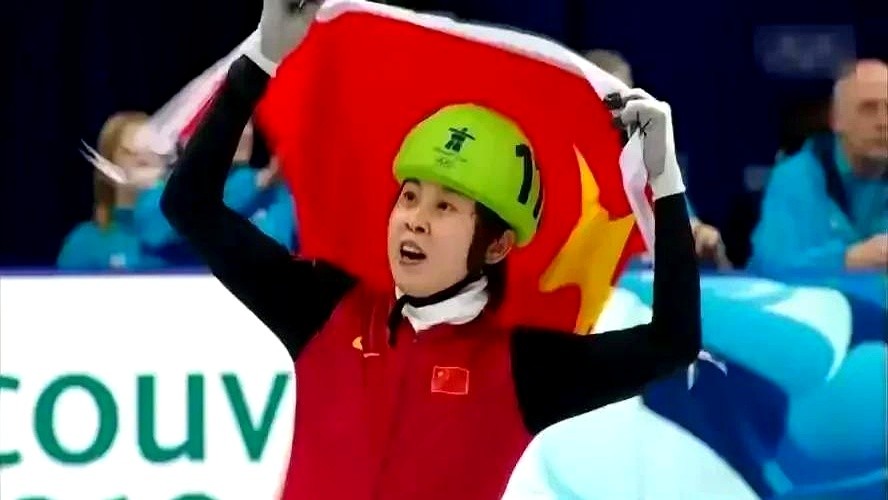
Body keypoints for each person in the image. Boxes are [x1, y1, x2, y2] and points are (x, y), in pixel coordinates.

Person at [160, 2, 701, 499]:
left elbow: (672, 344)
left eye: (445, 207)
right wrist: (262, 58)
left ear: (497, 244)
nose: (415, 219)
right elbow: (189, 205)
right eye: (410, 196)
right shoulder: (323, 308)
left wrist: (666, 181)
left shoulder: (522, 369)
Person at [585, 49, 730, 267]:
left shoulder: (649, 167)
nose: (614, 113)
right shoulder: (553, 172)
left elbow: (688, 229)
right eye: (602, 99)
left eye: (621, 102)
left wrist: (702, 237)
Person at [749, 59, 888, 275]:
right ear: (836, 120)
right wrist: (848, 260)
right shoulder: (795, 178)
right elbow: (772, 265)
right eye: (868, 109)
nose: (883, 122)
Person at [133, 121, 297, 266]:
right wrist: (255, 184)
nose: (245, 132)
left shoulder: (273, 189)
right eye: (228, 119)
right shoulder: (159, 195)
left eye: (247, 122)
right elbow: (159, 228)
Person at [57, 111, 167, 270]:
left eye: (152, 151)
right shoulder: (84, 243)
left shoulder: (185, 235)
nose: (143, 159)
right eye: (130, 152)